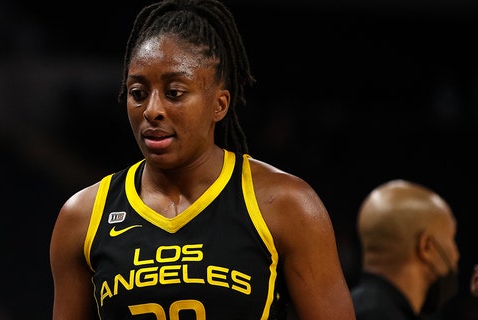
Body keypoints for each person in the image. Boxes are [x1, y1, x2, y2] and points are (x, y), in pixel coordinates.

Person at [49, 0, 355, 319]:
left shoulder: (287, 204)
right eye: (138, 93)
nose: (152, 109)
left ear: (219, 105)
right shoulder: (82, 217)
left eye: (175, 92)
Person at [350, 179, 459, 320]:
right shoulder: (385, 315)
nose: (457, 254)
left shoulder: (349, 308)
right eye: (451, 238)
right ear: (426, 247)